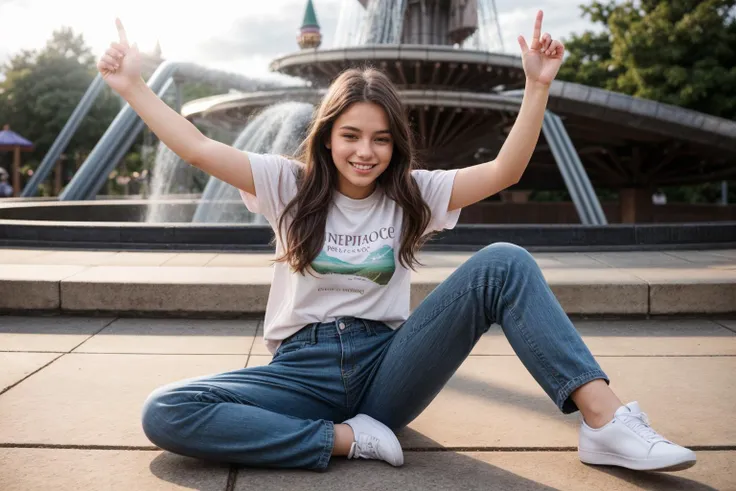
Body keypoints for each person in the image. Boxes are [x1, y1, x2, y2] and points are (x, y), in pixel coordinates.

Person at [98, 13, 696, 472]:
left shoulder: (413, 193)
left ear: (396, 145)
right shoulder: (289, 183)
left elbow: (504, 172)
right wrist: (133, 88)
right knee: (167, 411)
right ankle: (344, 441)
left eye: (381, 139)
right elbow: (199, 148)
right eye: (351, 135)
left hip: (388, 366)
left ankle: (605, 421)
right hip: (298, 374)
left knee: (504, 263)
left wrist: (536, 87)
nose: (365, 151)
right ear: (328, 137)